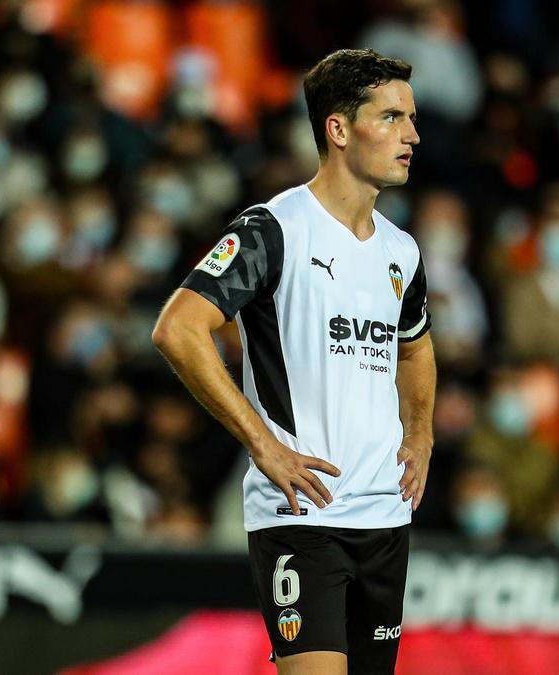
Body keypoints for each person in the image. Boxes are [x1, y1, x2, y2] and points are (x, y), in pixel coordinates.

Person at [152, 48, 435, 675]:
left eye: (411, 119)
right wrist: (262, 443)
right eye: (391, 118)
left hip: (384, 517)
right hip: (303, 517)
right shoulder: (273, 229)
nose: (412, 135)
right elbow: (178, 328)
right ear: (337, 129)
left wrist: (420, 428)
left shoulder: (401, 250)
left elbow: (415, 345)